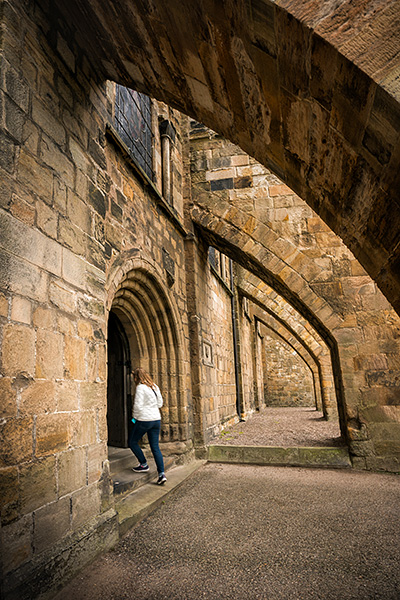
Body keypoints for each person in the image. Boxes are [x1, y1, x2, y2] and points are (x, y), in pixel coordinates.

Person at [129, 367, 167, 485]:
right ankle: (161, 474)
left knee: (132, 442)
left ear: (136, 377)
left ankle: (143, 464)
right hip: (156, 419)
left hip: (144, 420)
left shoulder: (140, 387)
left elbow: (138, 406)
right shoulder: (154, 386)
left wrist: (134, 418)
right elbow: (160, 403)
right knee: (155, 447)